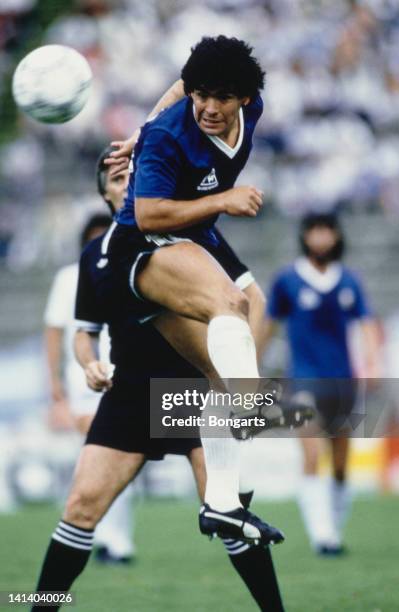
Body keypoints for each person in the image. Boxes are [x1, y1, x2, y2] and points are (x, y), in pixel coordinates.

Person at [31, 146, 285, 612]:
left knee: (229, 513)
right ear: (105, 195)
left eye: (133, 174)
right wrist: (88, 363)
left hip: (194, 391)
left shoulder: (193, 238)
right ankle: (37, 606)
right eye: (115, 178)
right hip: (129, 392)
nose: (126, 181)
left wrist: (239, 379)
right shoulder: (96, 256)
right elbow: (83, 334)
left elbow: (254, 301)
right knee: (80, 509)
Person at [108, 35, 283, 544]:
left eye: (220, 97)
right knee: (233, 303)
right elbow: (148, 214)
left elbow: (190, 79)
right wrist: (223, 199)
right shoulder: (169, 135)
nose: (207, 107)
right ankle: (253, 402)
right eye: (200, 95)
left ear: (245, 99)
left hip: (188, 239)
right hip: (138, 249)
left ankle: (222, 505)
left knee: (217, 370)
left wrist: (138, 132)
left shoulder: (252, 108)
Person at [261, 212, 380, 555]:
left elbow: (367, 323)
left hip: (343, 381)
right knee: (311, 453)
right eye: (314, 231)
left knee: (341, 463)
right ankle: (322, 535)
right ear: (305, 236)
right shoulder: (288, 280)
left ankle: (334, 528)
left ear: (337, 236)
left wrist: (372, 362)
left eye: (327, 231)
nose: (321, 238)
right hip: (304, 380)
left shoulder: (349, 281)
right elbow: (269, 325)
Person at [44, 208, 137, 562]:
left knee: (110, 458)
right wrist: (54, 382)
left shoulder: (125, 267)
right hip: (83, 377)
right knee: (100, 453)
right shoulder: (69, 278)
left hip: (121, 374)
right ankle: (111, 539)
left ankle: (114, 539)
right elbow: (55, 332)